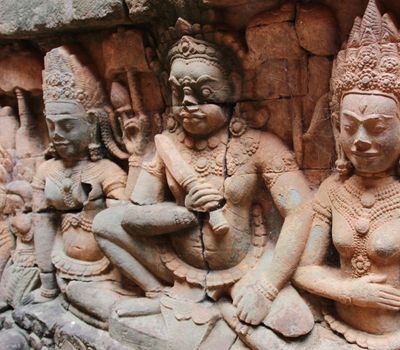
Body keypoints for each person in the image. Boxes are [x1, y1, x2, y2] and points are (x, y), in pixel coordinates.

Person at [92, 19, 314, 348]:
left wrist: (267, 288)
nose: (189, 104)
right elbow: (133, 218)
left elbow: (301, 210)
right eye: (178, 93)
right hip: (178, 266)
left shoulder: (258, 145)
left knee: (296, 323)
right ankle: (159, 295)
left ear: (234, 87)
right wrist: (186, 213)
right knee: (104, 224)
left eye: (204, 92)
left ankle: (224, 312)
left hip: (247, 264)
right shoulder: (167, 145)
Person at [292, 1, 400, 349]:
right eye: (350, 127)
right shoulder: (333, 191)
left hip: (393, 340)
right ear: (336, 127)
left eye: (377, 127)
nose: (361, 141)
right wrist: (350, 291)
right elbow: (304, 270)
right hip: (329, 330)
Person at [25, 45, 134, 328]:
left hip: (107, 273)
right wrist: (47, 281)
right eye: (51, 126)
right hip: (62, 268)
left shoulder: (107, 171)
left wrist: (101, 205)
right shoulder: (46, 170)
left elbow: (126, 226)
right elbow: (43, 225)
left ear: (93, 122)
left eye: (68, 126)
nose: (58, 135)